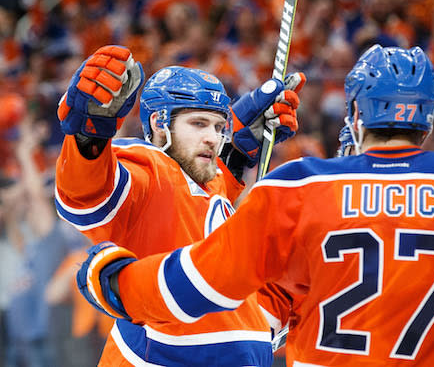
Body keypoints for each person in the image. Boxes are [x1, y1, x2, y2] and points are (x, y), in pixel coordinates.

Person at [76, 45, 434, 366]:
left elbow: (199, 285)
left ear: (357, 118)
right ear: (429, 121)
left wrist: (116, 283)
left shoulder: (298, 186)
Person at [55, 45, 305, 366]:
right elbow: (86, 190)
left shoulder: (209, 182)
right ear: (160, 124)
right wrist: (88, 135)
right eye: (198, 124)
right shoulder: (150, 169)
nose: (214, 138)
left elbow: (212, 191)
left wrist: (241, 147)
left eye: (218, 127)